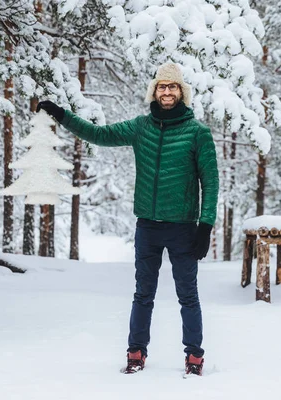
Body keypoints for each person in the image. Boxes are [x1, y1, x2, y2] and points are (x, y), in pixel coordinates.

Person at [37, 62, 219, 376]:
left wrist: (206, 225)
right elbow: (98, 134)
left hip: (183, 228)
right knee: (142, 294)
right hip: (147, 226)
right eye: (162, 86)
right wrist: (62, 115)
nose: (166, 91)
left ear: (181, 92)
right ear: (155, 91)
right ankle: (136, 354)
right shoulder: (140, 127)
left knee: (187, 295)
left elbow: (211, 181)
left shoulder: (197, 133)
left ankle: (194, 357)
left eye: (172, 87)